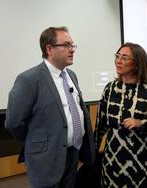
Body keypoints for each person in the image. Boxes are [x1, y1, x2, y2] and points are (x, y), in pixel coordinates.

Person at [5, 27, 95, 188]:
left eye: (73, 45)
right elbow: (14, 122)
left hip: (73, 152)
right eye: (66, 45)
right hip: (45, 158)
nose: (72, 50)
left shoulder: (71, 75)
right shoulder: (29, 79)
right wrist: (37, 141)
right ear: (49, 48)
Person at [94, 42, 147, 188]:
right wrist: (92, 153)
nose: (118, 61)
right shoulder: (110, 89)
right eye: (117, 56)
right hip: (112, 160)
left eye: (125, 57)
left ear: (136, 64)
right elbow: (100, 124)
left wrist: (142, 123)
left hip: (140, 161)